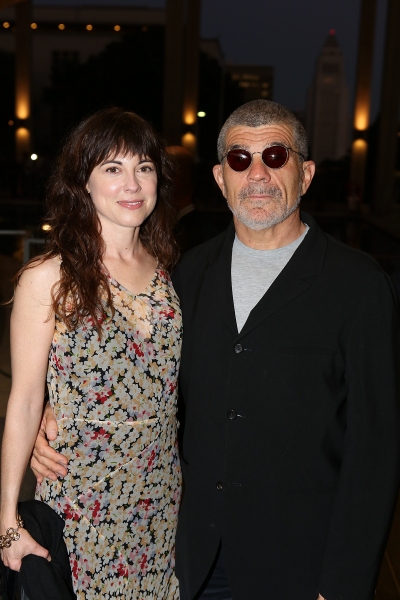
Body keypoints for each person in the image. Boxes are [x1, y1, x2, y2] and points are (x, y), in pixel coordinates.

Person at [32, 100, 400, 600]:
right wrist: (57, 412)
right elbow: (136, 371)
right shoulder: (183, 276)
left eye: (276, 155)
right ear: (220, 177)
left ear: (307, 173)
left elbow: (374, 452)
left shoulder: (358, 286)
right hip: (193, 558)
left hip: (300, 565)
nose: (258, 174)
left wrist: (341, 584)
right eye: (240, 159)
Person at [0, 108, 182, 599]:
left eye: (143, 167)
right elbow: (23, 399)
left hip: (162, 500)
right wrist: (7, 522)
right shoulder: (47, 278)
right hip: (82, 501)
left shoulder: (168, 269)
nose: (132, 183)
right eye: (112, 168)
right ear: (82, 182)